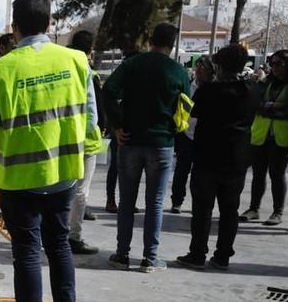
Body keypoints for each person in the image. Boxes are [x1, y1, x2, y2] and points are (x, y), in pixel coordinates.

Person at [0, 0, 96, 302]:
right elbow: (90, 121)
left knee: (27, 252)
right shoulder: (76, 61)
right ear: (50, 23)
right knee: (58, 247)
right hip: (63, 175)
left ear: (15, 26)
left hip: (20, 179)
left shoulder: (0, 70)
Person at [103, 23, 190, 272]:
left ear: (151, 39)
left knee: (126, 201)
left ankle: (121, 254)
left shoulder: (132, 64)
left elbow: (109, 90)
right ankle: (150, 259)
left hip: (129, 141)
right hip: (162, 144)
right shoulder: (178, 71)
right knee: (155, 203)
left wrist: (117, 125)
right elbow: (186, 106)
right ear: (172, 45)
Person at [177, 45, 258, 271]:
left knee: (202, 209)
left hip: (207, 156)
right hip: (237, 158)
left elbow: (192, 122)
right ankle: (223, 255)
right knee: (229, 210)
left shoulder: (207, 91)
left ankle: (197, 253)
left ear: (219, 66)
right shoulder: (252, 90)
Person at [239, 49, 288, 226]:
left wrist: (271, 108)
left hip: (282, 136)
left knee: (277, 174)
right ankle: (254, 209)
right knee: (258, 174)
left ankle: (277, 212)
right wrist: (274, 106)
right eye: (272, 64)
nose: (274, 68)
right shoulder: (266, 82)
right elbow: (254, 103)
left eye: (279, 64)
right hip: (261, 134)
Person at [66, 30, 105, 255]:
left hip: (64, 137)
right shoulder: (88, 72)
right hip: (86, 140)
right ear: (90, 51)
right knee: (81, 191)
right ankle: (74, 237)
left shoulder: (65, 69)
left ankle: (62, 232)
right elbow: (94, 110)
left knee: (63, 188)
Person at [171, 56, 215, 213]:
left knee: (201, 174)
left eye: (202, 68)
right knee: (182, 170)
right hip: (187, 134)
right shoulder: (189, 86)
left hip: (206, 137)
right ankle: (177, 201)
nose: (198, 71)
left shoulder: (215, 88)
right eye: (197, 67)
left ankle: (199, 202)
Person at [104, 46, 142, 214]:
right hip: (119, 129)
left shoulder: (135, 82)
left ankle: (126, 201)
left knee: (130, 169)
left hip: (129, 129)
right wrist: (114, 126)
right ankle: (111, 200)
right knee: (116, 166)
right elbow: (109, 99)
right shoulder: (119, 81)